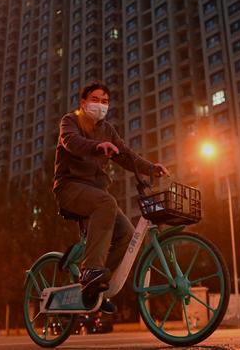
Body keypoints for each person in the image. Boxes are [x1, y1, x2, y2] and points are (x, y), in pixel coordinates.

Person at [53, 82, 169, 314]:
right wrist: (97, 146)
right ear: (84, 103)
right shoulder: (70, 121)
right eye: (95, 100)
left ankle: (95, 290)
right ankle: (90, 271)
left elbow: (126, 155)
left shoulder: (108, 130)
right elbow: (71, 142)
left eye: (105, 101)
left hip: (96, 192)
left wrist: (150, 168)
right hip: (70, 187)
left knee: (127, 233)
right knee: (107, 202)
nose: (100, 105)